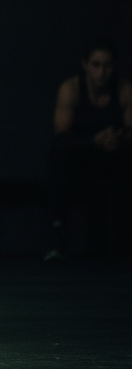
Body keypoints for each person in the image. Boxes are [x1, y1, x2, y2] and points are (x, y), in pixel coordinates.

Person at [48, 38, 132, 259]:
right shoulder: (71, 89)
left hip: (113, 158)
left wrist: (119, 139)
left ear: (114, 66)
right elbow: (61, 136)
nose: (102, 72)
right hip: (81, 161)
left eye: (108, 65)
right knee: (59, 153)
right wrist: (94, 140)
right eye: (96, 65)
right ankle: (58, 235)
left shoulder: (124, 90)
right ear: (85, 65)